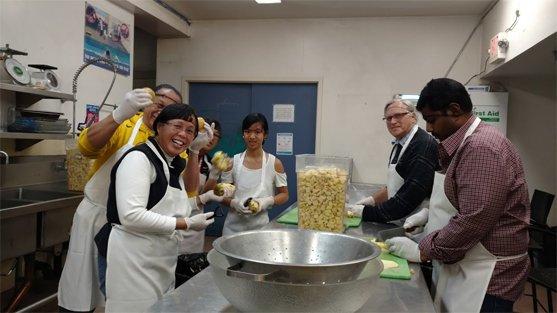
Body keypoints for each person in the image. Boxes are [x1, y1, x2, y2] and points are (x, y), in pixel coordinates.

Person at [58, 84, 212, 312]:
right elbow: (86, 148)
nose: (162, 112)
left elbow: (184, 193)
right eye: (160, 107)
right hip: (102, 220)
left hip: (146, 237)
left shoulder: (172, 151)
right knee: (82, 293)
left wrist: (195, 153)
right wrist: (119, 113)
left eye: (188, 128)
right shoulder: (129, 131)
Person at [386, 78, 530, 313]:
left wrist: (423, 250)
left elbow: (474, 218)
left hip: (488, 277)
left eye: (432, 120)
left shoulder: (481, 147)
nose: (429, 129)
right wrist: (429, 214)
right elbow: (467, 198)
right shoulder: (464, 144)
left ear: (454, 110)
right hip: (469, 265)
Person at [99, 104, 215, 312]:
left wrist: (202, 199)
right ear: (159, 126)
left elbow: (169, 207)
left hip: (159, 260)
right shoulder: (139, 159)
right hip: (134, 260)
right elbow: (131, 216)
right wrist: (186, 223)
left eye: (190, 131)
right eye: (177, 126)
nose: (183, 134)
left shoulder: (171, 163)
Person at [348, 99, 438, 224]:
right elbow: (395, 185)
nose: (393, 121)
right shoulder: (400, 144)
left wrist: (363, 212)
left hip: (415, 225)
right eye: (388, 118)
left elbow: (408, 199)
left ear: (413, 117)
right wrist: (371, 200)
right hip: (399, 218)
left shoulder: (423, 145)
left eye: (398, 115)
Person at [219, 113, 289, 235]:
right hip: (232, 229)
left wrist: (266, 201)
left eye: (257, 132)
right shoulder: (231, 162)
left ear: (265, 135)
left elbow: (284, 195)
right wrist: (234, 203)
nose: (252, 136)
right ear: (243, 134)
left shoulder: (275, 163)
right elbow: (223, 197)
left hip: (260, 229)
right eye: (247, 131)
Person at [179, 119, 224, 254]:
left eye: (215, 135)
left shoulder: (210, 163)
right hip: (174, 216)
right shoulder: (180, 154)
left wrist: (214, 175)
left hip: (196, 221)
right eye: (206, 132)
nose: (211, 138)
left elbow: (207, 196)